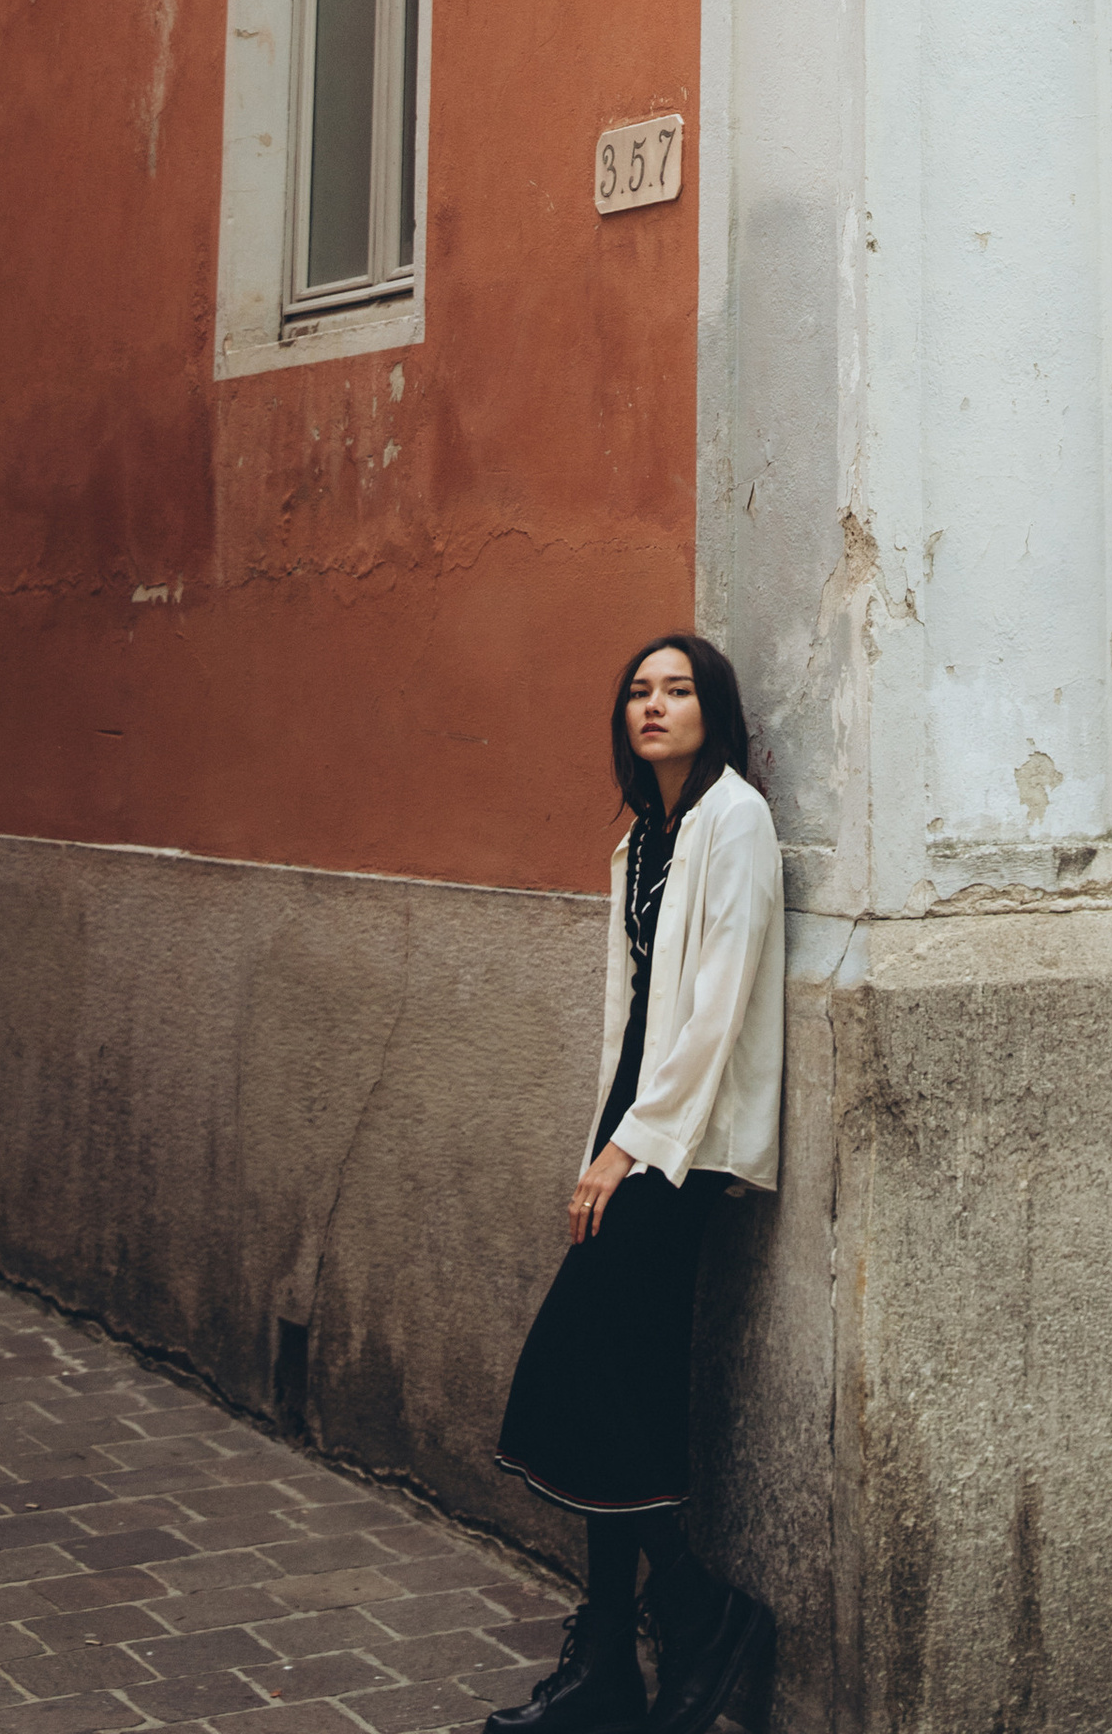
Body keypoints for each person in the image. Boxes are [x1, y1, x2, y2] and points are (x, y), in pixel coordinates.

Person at [489, 632, 783, 1734]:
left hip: (685, 1148)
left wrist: (637, 1144)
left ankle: (695, 1614)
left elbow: (716, 1008)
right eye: (637, 692)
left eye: (678, 690)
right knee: (621, 1394)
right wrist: (599, 1139)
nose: (653, 707)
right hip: (629, 1137)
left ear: (715, 710)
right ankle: (614, 1654)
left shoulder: (734, 822)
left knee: (580, 1375)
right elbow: (631, 1018)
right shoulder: (641, 842)